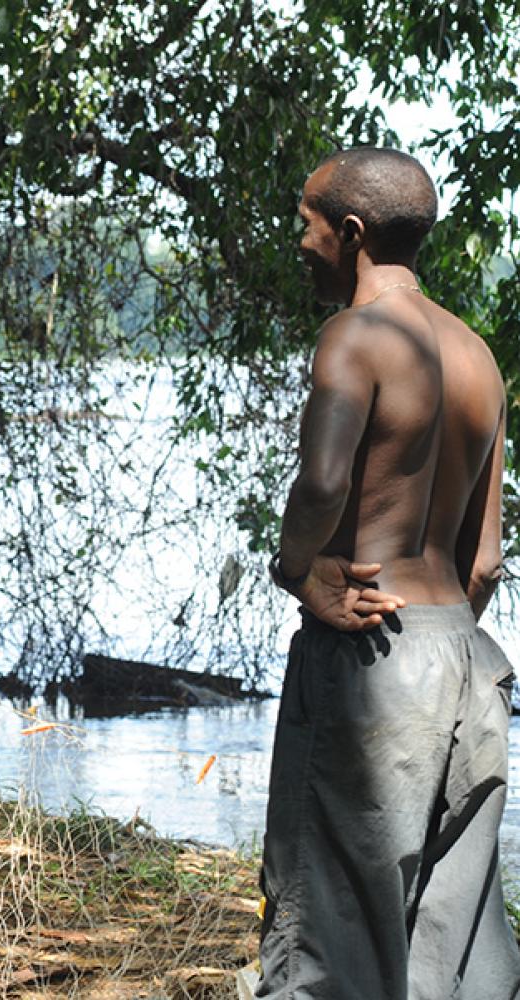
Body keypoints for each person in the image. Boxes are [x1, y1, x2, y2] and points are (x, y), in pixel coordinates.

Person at [258, 148, 520, 998]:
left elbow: (324, 483)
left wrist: (297, 569)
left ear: (353, 232)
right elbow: (485, 557)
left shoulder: (356, 338)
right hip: (468, 665)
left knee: (328, 949)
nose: (300, 238)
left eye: (308, 219)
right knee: (449, 952)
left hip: (374, 654)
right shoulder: (478, 356)